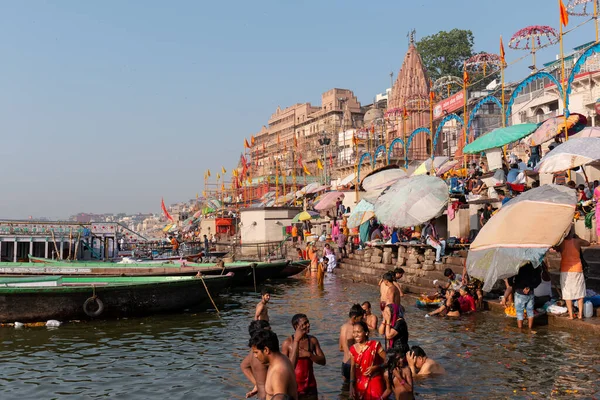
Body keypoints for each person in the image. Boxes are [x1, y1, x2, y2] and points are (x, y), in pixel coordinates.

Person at [281, 314, 326, 400]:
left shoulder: (312, 340)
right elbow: (285, 369)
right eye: (305, 323)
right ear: (296, 326)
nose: (308, 325)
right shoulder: (287, 343)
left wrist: (309, 355)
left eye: (308, 322)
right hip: (294, 388)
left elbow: (323, 361)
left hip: (311, 386)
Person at [249, 329, 298, 400]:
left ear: (266, 350)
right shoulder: (281, 359)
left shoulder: (278, 372)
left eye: (256, 352)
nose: (255, 356)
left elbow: (281, 398)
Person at [556, 230, 590, 319]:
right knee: (580, 292)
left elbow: (555, 248)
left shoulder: (561, 243)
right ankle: (579, 314)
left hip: (565, 270)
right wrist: (578, 238)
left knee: (567, 293)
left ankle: (571, 315)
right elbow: (588, 243)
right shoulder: (577, 241)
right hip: (577, 269)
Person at [349, 321, 387, 400]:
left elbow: (388, 361)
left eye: (358, 332)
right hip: (359, 383)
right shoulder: (352, 349)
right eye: (354, 332)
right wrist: (351, 386)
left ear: (366, 333)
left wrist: (376, 367)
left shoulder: (375, 345)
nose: (356, 335)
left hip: (375, 381)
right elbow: (352, 368)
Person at [505, 263, 542, 329]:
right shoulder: (534, 265)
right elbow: (538, 280)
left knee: (519, 312)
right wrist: (530, 287)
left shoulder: (518, 265)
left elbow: (510, 280)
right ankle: (530, 328)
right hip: (530, 292)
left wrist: (513, 284)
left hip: (520, 291)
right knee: (530, 311)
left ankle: (520, 329)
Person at [241, 320, 271, 400]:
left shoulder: (253, 352)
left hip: (261, 395)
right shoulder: (264, 353)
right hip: (268, 396)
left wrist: (257, 384)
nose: (271, 331)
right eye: (269, 330)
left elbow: (244, 366)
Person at [339, 304, 365, 381]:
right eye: (360, 318)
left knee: (345, 389)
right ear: (354, 318)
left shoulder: (343, 327)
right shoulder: (355, 329)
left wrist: (347, 350)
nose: (362, 320)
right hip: (354, 365)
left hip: (344, 364)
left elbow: (340, 348)